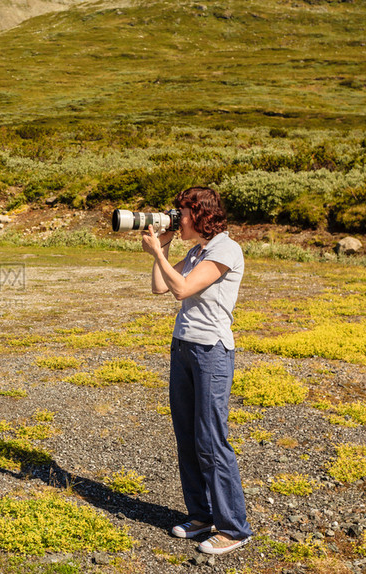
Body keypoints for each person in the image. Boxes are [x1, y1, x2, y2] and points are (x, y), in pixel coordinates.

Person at [141, 186, 253, 556]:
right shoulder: (196, 251)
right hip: (184, 347)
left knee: (210, 440)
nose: (176, 217)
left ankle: (235, 527)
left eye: (181, 213)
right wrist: (166, 247)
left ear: (201, 214)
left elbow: (183, 288)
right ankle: (201, 515)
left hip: (211, 352)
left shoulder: (225, 249)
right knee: (188, 437)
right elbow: (160, 286)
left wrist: (157, 250)